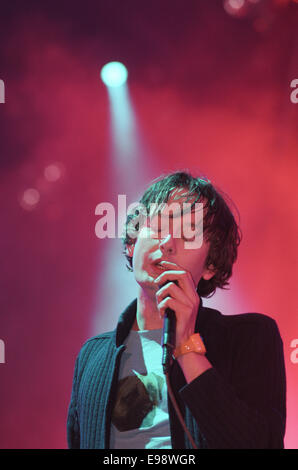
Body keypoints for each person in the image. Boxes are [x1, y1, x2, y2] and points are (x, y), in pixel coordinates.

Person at [67, 171, 286, 449]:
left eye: (188, 234)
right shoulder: (93, 356)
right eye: (157, 227)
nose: (168, 244)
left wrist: (186, 346)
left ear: (211, 266)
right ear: (133, 243)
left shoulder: (250, 337)